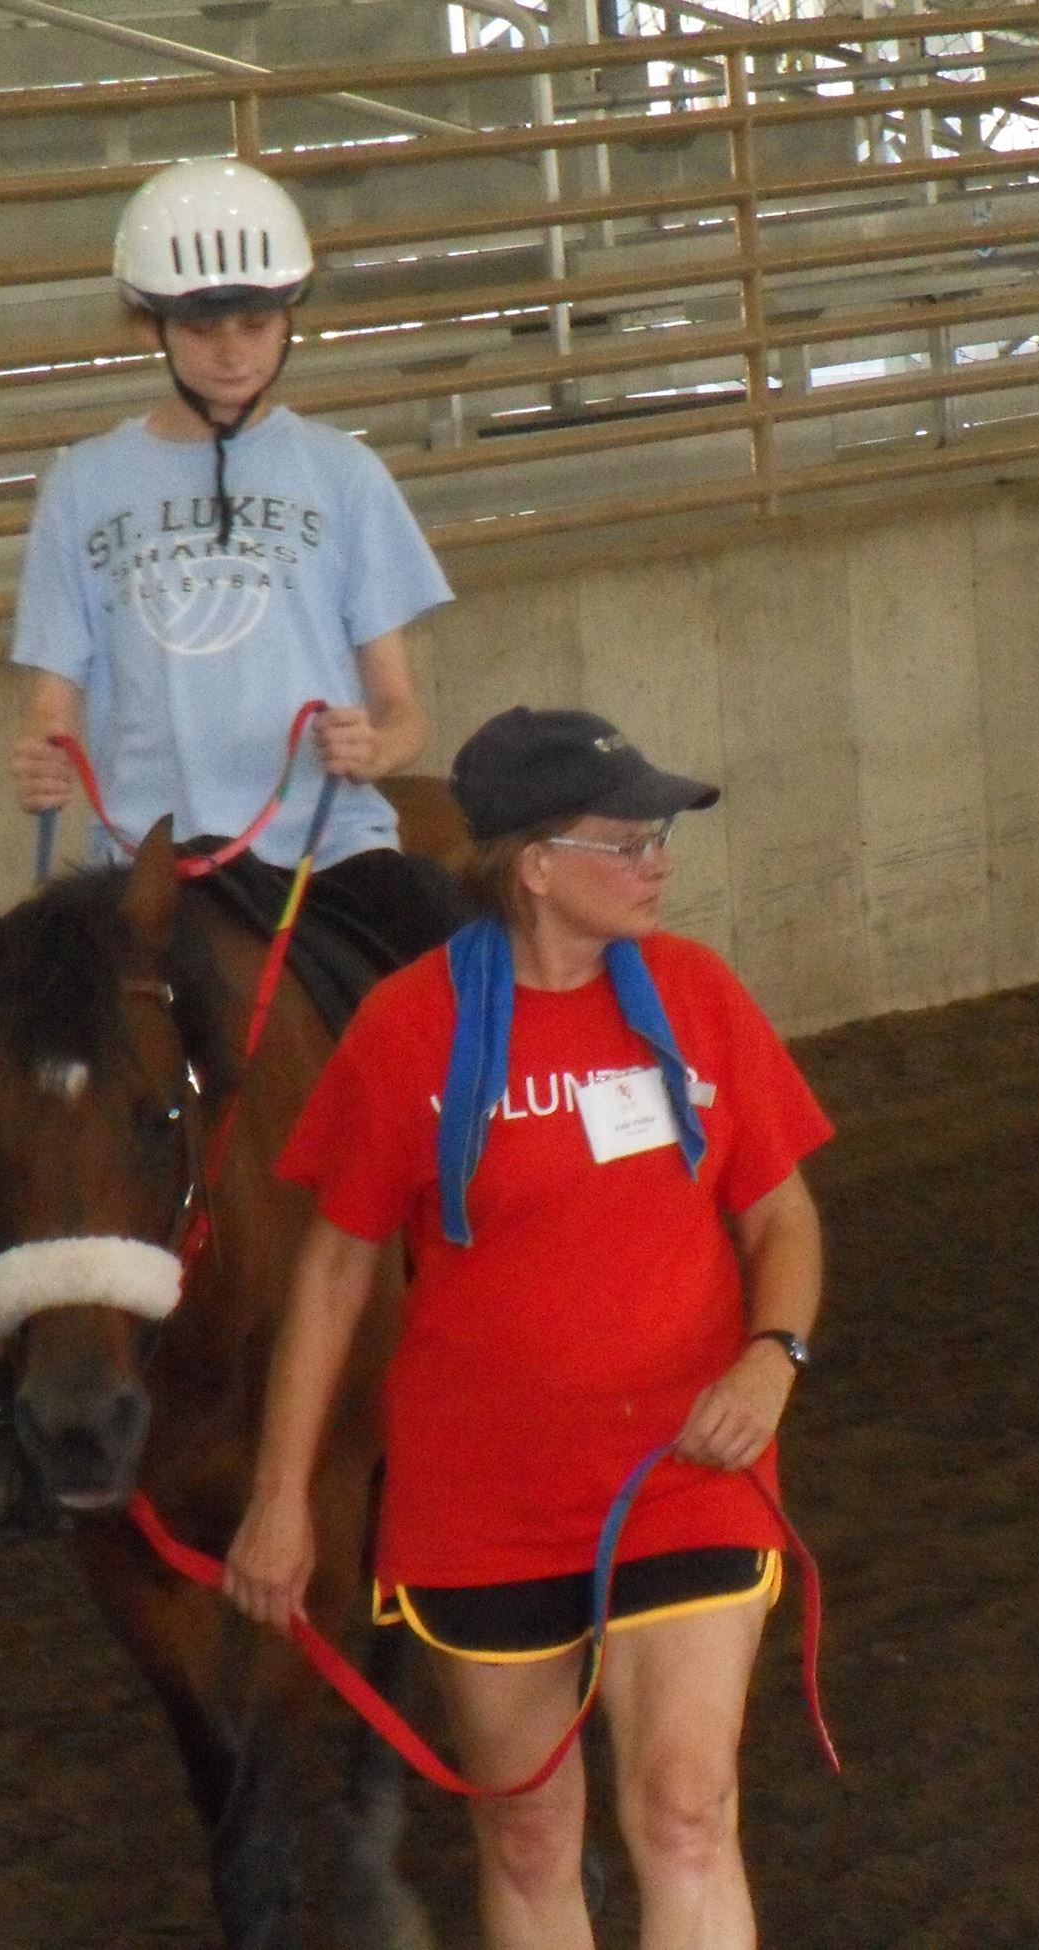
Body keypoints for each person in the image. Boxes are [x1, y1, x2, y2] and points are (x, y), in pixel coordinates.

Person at [225, 707, 834, 1950]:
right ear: (535, 864)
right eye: (628, 837)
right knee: (526, 1838)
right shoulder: (406, 1031)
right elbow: (334, 1277)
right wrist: (282, 1498)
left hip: (688, 1467)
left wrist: (772, 1360)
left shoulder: (699, 998)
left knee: (683, 1810)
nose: (657, 858)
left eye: (657, 833)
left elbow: (783, 1220)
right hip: (481, 1502)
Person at [3, 153, 461, 957]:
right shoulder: (82, 485)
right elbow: (54, 705)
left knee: (447, 971)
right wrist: (43, 761)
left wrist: (376, 748)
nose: (231, 352)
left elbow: (402, 711)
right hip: (149, 862)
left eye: (254, 325)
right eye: (202, 328)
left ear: (289, 319)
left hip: (330, 846)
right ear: (151, 326)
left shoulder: (344, 473)